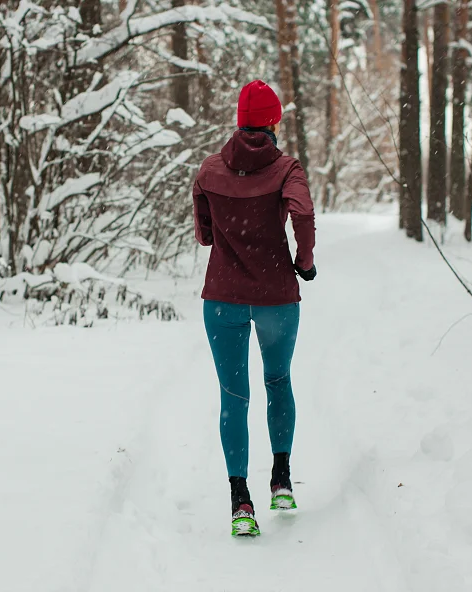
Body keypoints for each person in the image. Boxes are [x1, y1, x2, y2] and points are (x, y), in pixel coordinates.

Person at [192, 80, 317, 537]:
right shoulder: (287, 169)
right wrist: (304, 262)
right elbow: (302, 215)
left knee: (234, 396)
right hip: (275, 298)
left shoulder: (209, 170)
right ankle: (281, 479)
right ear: (274, 122)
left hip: (222, 297)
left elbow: (205, 235)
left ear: (238, 120)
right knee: (278, 379)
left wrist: (225, 232)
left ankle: (239, 502)